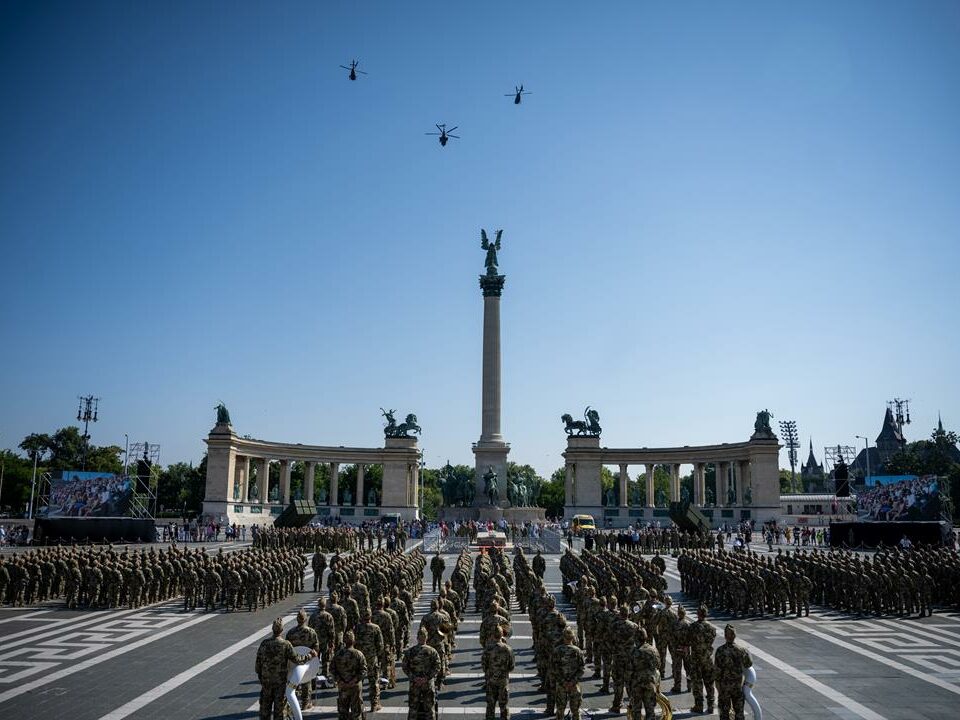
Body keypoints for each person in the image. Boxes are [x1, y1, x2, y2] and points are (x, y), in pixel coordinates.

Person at [256, 617, 316, 720]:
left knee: (265, 712)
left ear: (272, 629)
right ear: (282, 630)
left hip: (266, 682)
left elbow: (258, 666)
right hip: (280, 684)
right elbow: (297, 659)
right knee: (279, 713)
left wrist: (262, 678)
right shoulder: (285, 645)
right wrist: (309, 656)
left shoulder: (264, 644)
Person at [714, 624, 752, 720]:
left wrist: (717, 684)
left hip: (724, 688)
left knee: (724, 714)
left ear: (725, 636)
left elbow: (717, 671)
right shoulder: (742, 650)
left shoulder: (720, 651)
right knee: (739, 713)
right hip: (737, 687)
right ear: (735, 636)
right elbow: (749, 664)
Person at [403, 628, 442, 720]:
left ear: (417, 638)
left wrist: (414, 678)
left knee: (413, 709)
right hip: (427, 683)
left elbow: (405, 667)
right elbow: (437, 666)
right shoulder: (432, 651)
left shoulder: (410, 651)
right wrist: (426, 678)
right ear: (426, 637)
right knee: (429, 709)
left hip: (414, 683)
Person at [287, 609, 321, 710]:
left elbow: (287, 647)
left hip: (294, 661)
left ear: (297, 620)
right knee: (306, 680)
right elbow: (316, 646)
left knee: (294, 680)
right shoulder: (311, 632)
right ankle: (306, 702)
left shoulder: (291, 632)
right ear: (306, 619)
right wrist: (313, 654)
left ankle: (294, 701)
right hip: (307, 660)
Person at [331, 631, 367, 720]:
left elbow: (332, 669)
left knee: (343, 712)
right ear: (354, 641)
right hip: (355, 686)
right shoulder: (359, 654)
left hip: (342, 686)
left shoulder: (338, 654)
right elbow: (363, 670)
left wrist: (339, 681)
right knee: (356, 713)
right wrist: (353, 681)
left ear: (344, 641)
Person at [687, 605, 717, 714]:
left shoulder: (692, 627)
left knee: (697, 683)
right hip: (708, 659)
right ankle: (711, 706)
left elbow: (687, 640)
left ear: (698, 614)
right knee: (709, 684)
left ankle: (698, 706)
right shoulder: (712, 628)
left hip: (696, 660)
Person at [482, 625, 515, 720]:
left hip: (491, 681)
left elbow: (484, 667)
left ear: (492, 635)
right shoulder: (508, 649)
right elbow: (511, 667)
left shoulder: (487, 649)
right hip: (503, 681)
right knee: (504, 707)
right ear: (502, 635)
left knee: (490, 707)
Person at [553, 626, 585, 720]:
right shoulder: (578, 651)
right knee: (576, 711)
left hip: (561, 685)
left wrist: (563, 682)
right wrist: (572, 682)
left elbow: (554, 669)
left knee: (560, 711)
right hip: (574, 685)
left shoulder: (557, 650)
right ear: (573, 637)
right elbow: (581, 669)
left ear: (563, 637)